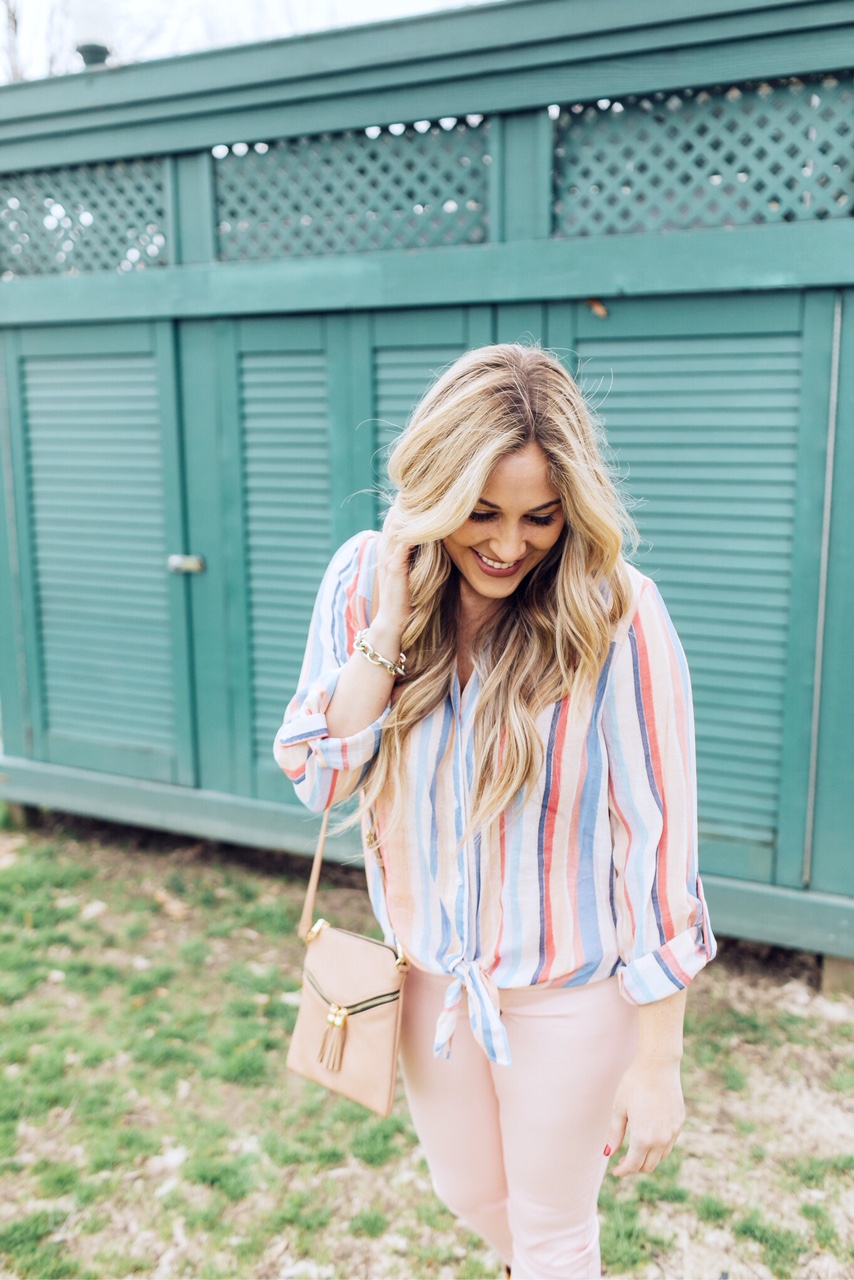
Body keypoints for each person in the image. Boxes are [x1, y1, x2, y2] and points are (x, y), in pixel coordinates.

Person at [274, 343, 716, 1279]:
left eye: (539, 518)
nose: (510, 545)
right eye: (481, 513)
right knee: (469, 1195)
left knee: (554, 1231)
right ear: (433, 490)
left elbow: (657, 839)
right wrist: (388, 632)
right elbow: (320, 776)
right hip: (429, 980)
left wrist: (659, 1060)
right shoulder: (363, 577)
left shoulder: (618, 612)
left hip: (568, 995)